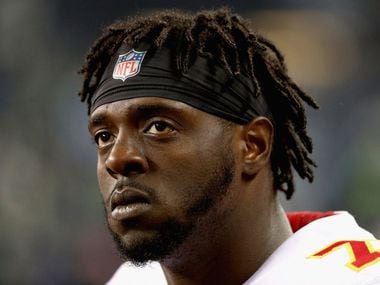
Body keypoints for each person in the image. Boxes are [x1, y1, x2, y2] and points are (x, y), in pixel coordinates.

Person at [78, 8, 380, 285]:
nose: (117, 159)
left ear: (253, 145)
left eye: (159, 127)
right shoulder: (132, 280)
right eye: (104, 136)